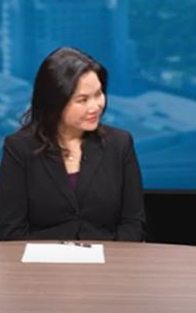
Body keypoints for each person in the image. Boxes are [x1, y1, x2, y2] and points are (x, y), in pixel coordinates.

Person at [0, 47, 146, 241]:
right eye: (82, 100)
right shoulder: (19, 148)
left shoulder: (119, 144)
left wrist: (112, 262)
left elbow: (133, 224)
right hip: (41, 265)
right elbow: (12, 230)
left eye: (99, 94)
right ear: (55, 102)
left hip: (107, 263)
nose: (95, 106)